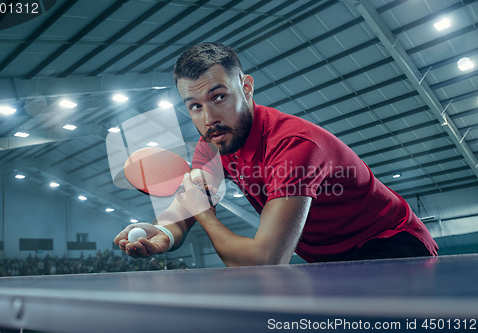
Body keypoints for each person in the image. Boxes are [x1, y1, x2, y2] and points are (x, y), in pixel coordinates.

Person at [115, 42, 438, 266]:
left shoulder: (294, 145)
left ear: (247, 88)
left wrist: (203, 212)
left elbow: (265, 260)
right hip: (325, 258)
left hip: (389, 245)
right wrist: (165, 236)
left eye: (219, 96)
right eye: (195, 106)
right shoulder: (213, 142)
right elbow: (182, 215)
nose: (208, 117)